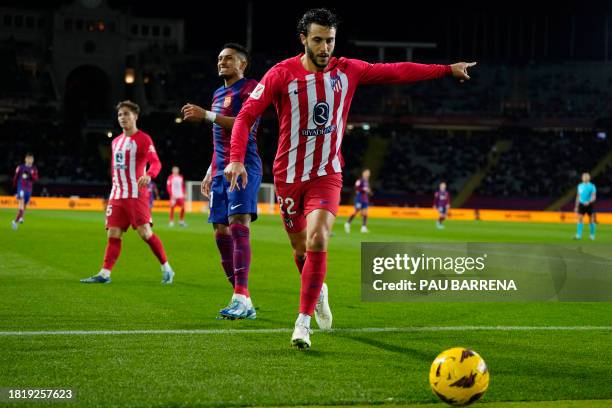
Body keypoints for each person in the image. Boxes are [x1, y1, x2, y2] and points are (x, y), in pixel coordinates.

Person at [224, 8, 477, 348]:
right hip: (289, 177)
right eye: (317, 40)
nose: (325, 47)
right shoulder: (281, 74)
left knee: (318, 240)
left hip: (327, 174)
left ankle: (302, 322)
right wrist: (236, 159)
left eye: (329, 40)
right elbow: (244, 117)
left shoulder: (348, 70)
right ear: (303, 39)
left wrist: (445, 69)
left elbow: (397, 71)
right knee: (301, 250)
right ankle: (319, 290)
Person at [181, 43, 261, 319]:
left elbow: (244, 123)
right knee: (220, 232)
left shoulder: (251, 87)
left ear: (243, 64)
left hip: (244, 165)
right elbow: (219, 138)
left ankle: (241, 295)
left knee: (238, 223)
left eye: (228, 58)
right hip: (219, 171)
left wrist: (207, 115)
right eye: (219, 58)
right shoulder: (218, 93)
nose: (222, 62)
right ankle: (241, 297)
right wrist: (209, 169)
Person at [81, 101, 175, 284]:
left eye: (126, 114)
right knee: (113, 234)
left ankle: (167, 268)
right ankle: (105, 274)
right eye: (120, 115)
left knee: (145, 233)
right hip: (116, 196)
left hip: (136, 195)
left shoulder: (144, 139)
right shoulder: (115, 142)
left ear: (135, 116)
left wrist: (149, 175)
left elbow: (156, 162)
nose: (122, 118)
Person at [11, 153, 38, 230]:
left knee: (24, 206)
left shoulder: (34, 169)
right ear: (25, 159)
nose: (30, 160)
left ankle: (15, 221)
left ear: (33, 160)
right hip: (21, 187)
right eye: (28, 159)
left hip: (29, 189)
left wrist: (32, 174)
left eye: (31, 159)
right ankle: (21, 218)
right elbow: (15, 178)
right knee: (21, 201)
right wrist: (15, 190)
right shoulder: (20, 167)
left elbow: (35, 179)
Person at [344, 169, 372, 233]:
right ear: (363, 173)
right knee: (356, 211)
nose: (367, 174)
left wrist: (369, 191)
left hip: (365, 199)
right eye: (366, 173)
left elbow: (367, 189)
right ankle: (348, 223)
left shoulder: (366, 181)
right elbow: (356, 187)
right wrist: (364, 189)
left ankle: (363, 227)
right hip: (359, 198)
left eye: (368, 173)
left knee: (365, 213)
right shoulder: (360, 180)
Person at [574, 172, 596, 240]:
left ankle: (592, 236)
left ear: (589, 178)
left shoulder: (592, 186)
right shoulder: (579, 186)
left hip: (589, 204)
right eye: (584, 177)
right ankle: (578, 235)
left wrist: (588, 201)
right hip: (581, 204)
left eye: (586, 177)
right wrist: (576, 206)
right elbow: (578, 196)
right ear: (582, 178)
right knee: (580, 219)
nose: (585, 178)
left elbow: (593, 196)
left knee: (591, 220)